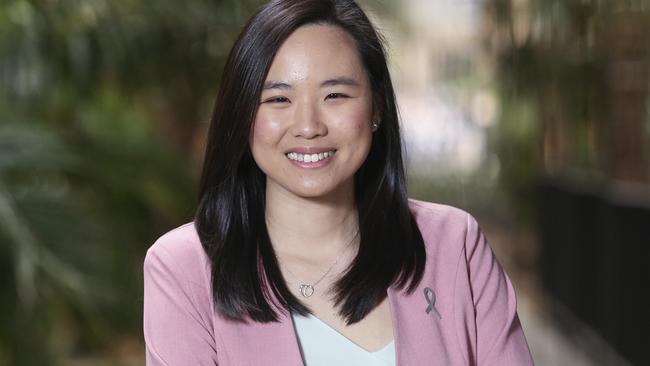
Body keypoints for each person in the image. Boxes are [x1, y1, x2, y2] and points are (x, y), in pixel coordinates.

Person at [142, 0, 534, 365]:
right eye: (278, 100)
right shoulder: (183, 269)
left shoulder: (454, 245)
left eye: (335, 95)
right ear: (242, 115)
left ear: (376, 106)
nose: (309, 127)